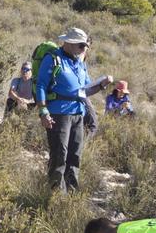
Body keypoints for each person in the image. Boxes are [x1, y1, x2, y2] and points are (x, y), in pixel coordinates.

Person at [35, 27, 115, 192]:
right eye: (81, 46)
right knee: (59, 154)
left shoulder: (79, 63)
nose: (84, 49)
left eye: (85, 46)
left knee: (75, 154)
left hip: (78, 112)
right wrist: (43, 111)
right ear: (69, 43)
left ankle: (71, 193)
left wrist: (101, 85)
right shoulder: (53, 59)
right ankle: (55, 193)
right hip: (59, 113)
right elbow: (41, 85)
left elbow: (85, 90)